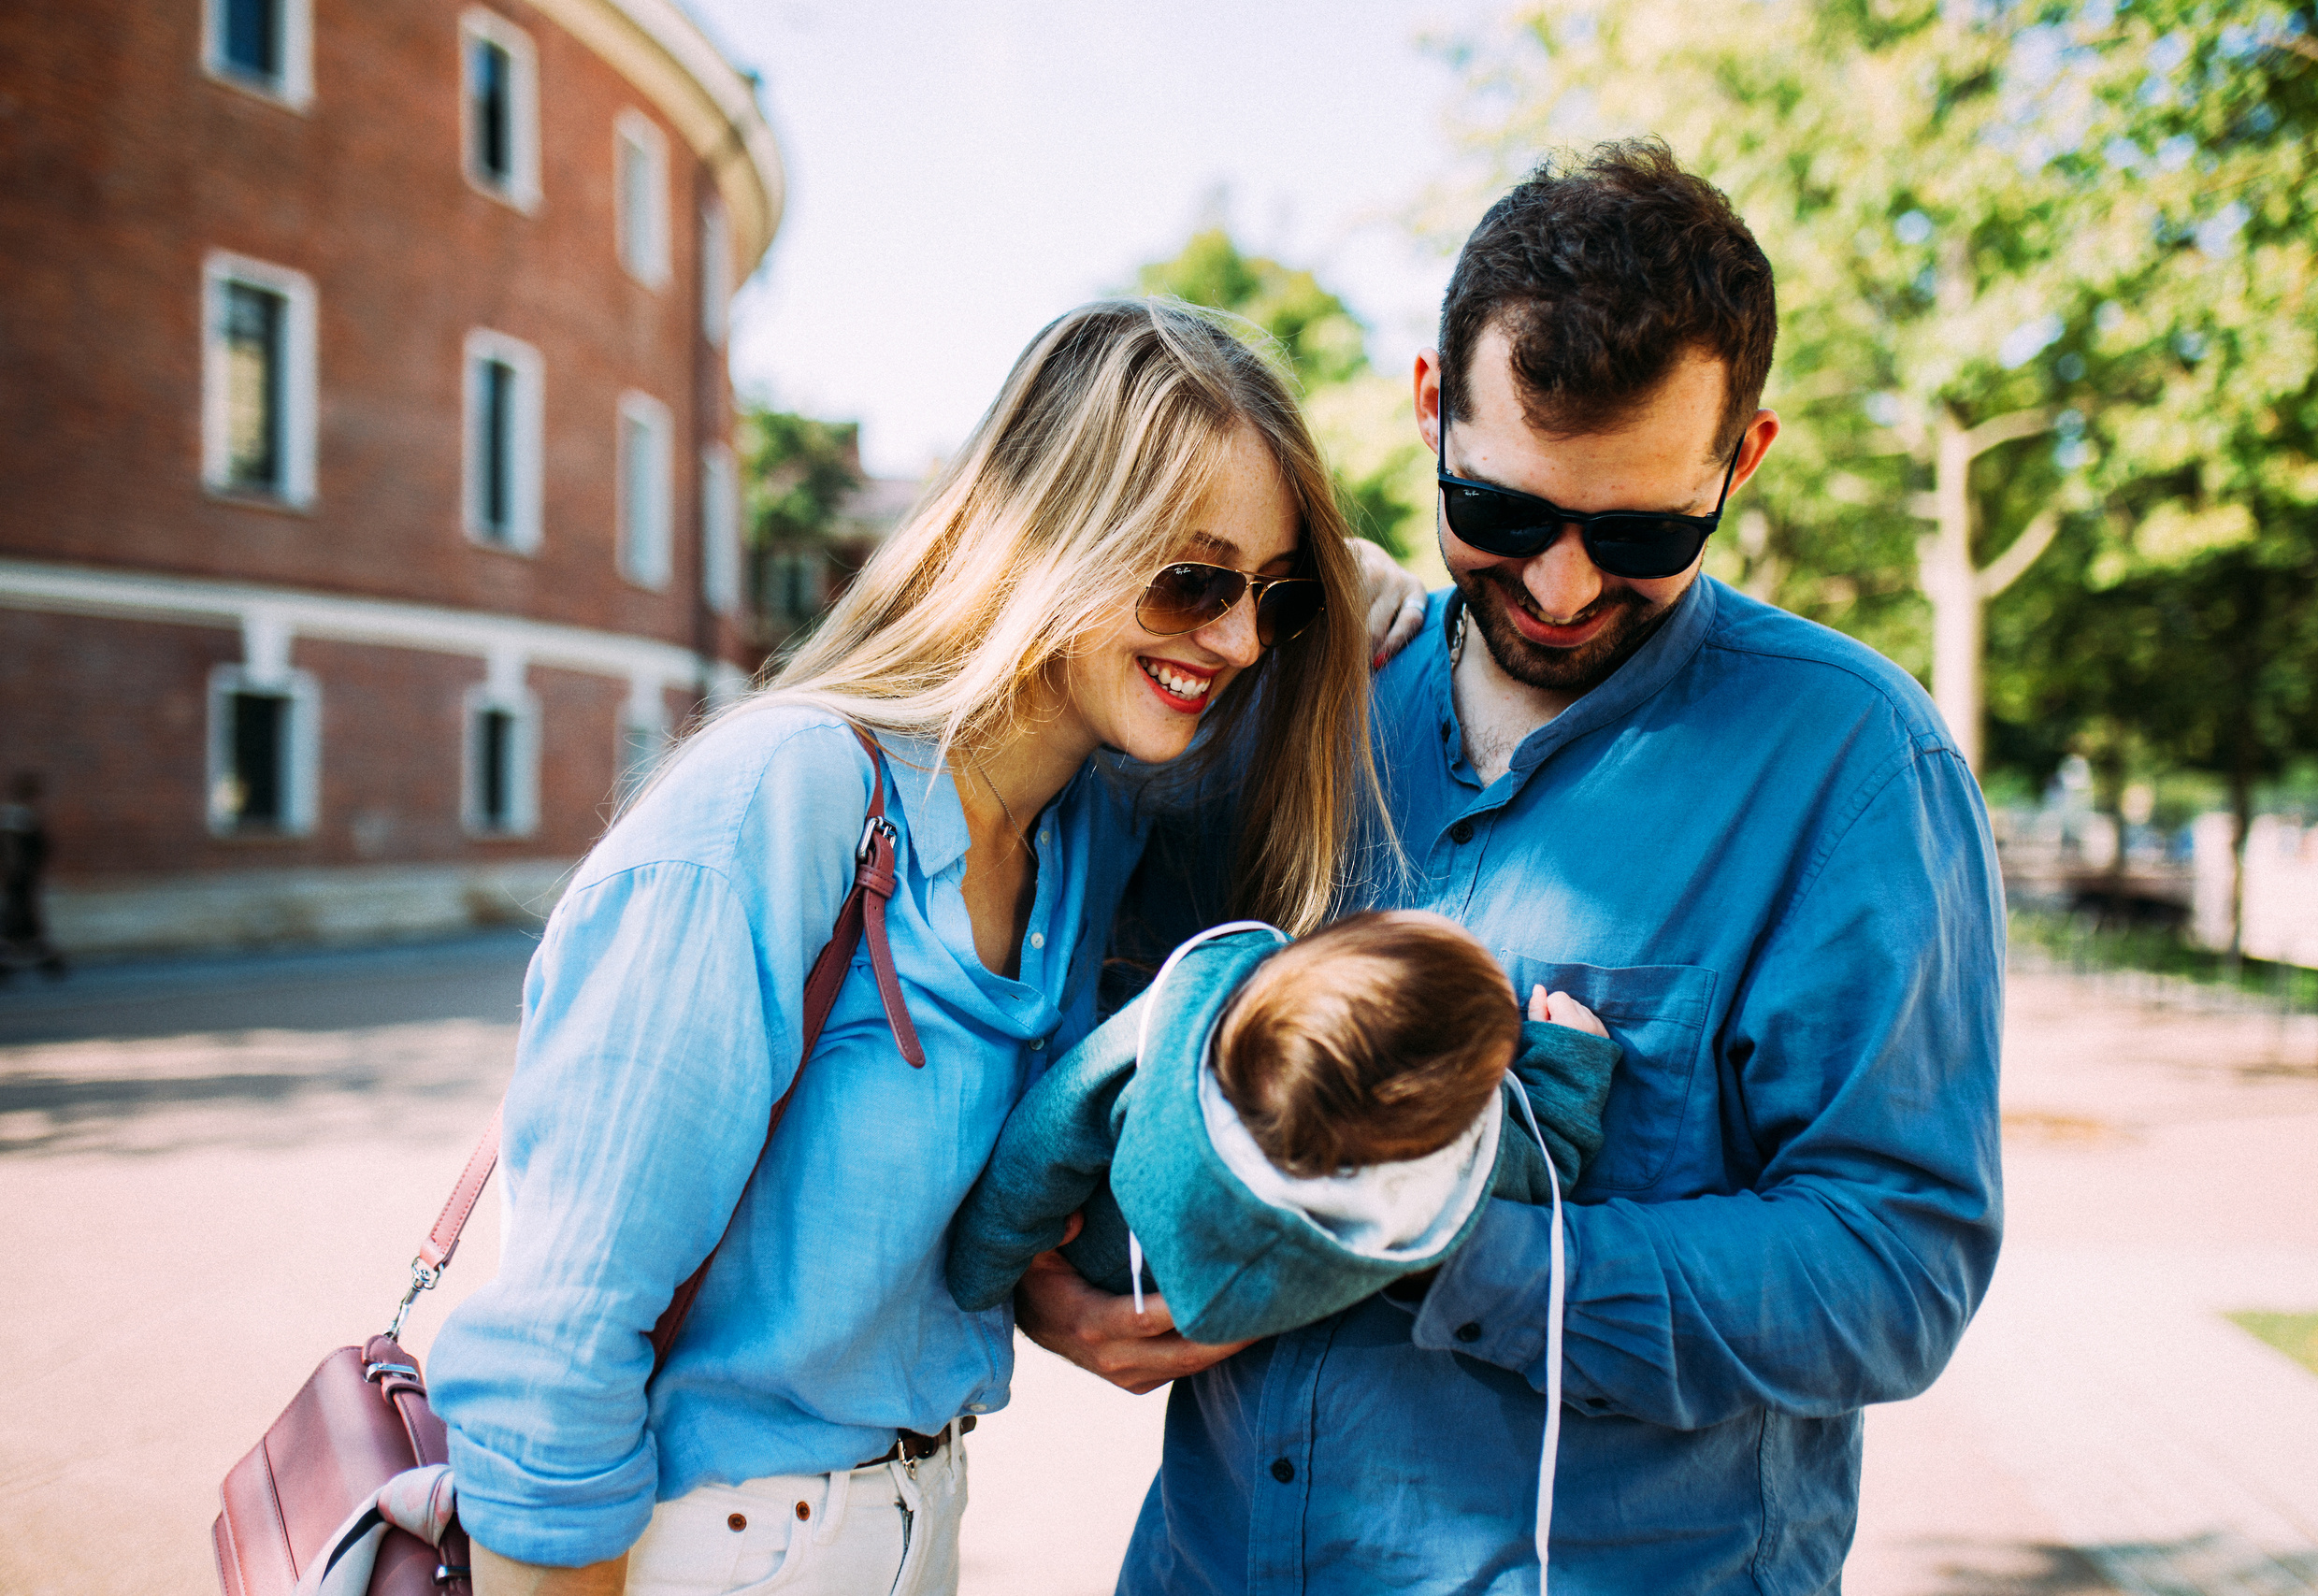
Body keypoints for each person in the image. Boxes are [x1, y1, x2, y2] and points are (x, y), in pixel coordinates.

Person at [1017, 141, 2007, 1594]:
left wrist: (1427, 1242)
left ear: (1744, 458)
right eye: (1503, 513)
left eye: (1642, 532)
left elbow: (1892, 1266)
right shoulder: (1291, 691)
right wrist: (1060, 1288)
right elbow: (1109, 1041)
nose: (1560, 586)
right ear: (1432, 406)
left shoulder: (1857, 767)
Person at [425, 297, 1424, 1596]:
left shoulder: (1080, 839)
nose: (1236, 638)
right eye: (1191, 578)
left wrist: (1346, 581)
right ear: (1047, 534)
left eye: (1272, 598)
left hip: (912, 1524)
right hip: (688, 1546)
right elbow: (557, 1351)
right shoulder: (778, 804)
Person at [945, 912, 1618, 1344]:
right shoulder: (1420, 1184)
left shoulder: (1175, 1032)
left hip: (1101, 1246)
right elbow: (1546, 1160)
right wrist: (1568, 1062)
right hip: (1193, 1314)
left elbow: (1044, 1141)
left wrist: (981, 1278)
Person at [0, 771, 66, 981]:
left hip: (22, 879)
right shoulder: (18, 818)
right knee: (21, 920)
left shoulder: (19, 817)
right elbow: (15, 851)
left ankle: (38, 958)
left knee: (23, 922)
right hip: (21, 880)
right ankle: (45, 960)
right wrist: (18, 873)